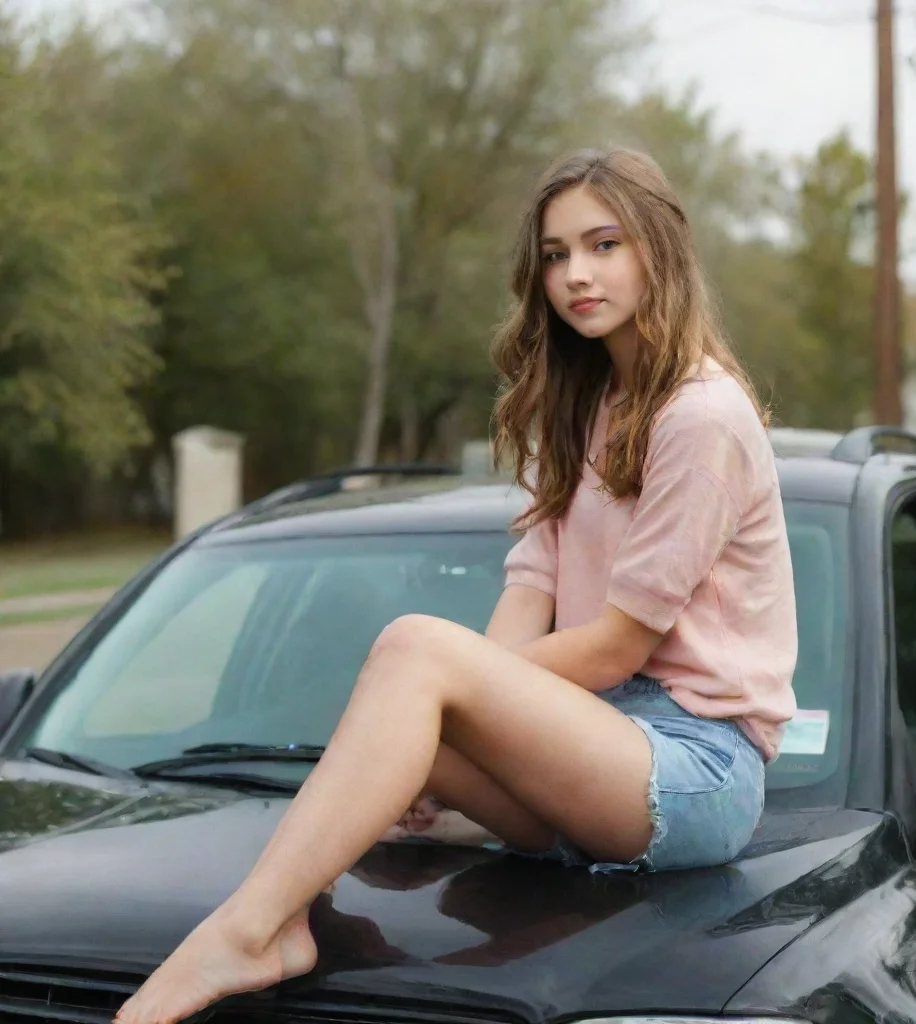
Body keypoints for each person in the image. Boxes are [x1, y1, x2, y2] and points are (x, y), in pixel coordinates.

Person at [114, 146, 798, 1024]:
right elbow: (531, 586)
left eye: (604, 245)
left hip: (695, 766)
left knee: (417, 651)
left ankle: (244, 933)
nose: (576, 275)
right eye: (556, 255)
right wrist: (465, 719)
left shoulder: (704, 415)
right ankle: (287, 918)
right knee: (406, 730)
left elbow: (621, 645)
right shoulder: (580, 408)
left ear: (659, 249)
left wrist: (469, 690)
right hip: (596, 747)